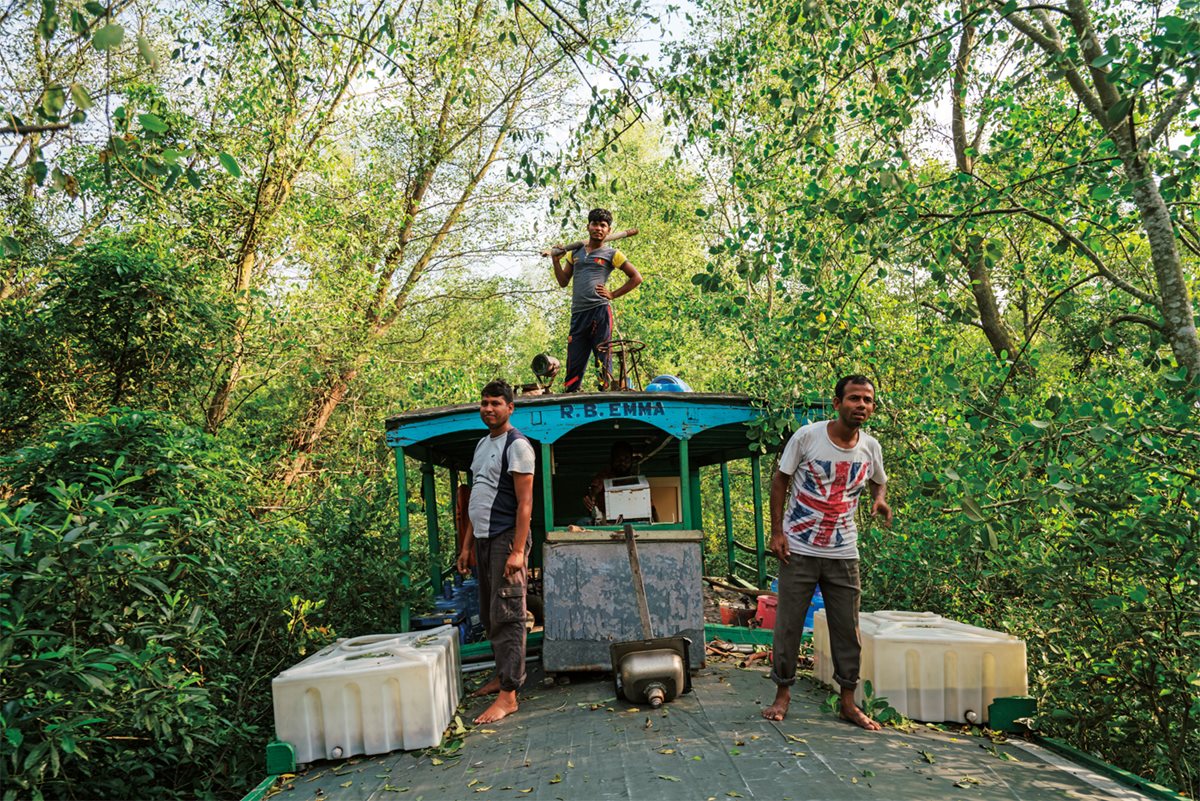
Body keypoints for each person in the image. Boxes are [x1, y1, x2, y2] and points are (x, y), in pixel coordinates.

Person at [761, 375, 893, 730]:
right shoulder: (807, 437)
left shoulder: (871, 447)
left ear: (873, 407)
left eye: (867, 400)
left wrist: (879, 499)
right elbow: (780, 479)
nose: (860, 405)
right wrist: (777, 532)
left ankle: (848, 702)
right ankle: (782, 695)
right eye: (853, 398)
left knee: (847, 630)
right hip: (799, 549)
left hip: (844, 552)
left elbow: (878, 478)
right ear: (837, 403)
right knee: (788, 625)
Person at [456, 379, 536, 724]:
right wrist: (466, 546)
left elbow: (525, 503)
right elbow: (479, 494)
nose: (488, 408)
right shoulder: (481, 445)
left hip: (506, 538)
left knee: (508, 615)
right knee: (490, 615)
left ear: (510, 408)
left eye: (496, 403)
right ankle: (499, 676)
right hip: (484, 540)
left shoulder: (517, 446)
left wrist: (518, 551)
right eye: (484, 402)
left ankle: (509, 694)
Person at [551, 208, 643, 392]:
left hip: (599, 311)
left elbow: (636, 278)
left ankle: (605, 391)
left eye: (603, 226)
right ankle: (571, 393)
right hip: (578, 313)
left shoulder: (612, 254)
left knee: (603, 355)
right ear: (588, 226)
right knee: (575, 357)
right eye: (595, 224)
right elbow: (563, 282)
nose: (598, 228)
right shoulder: (575, 253)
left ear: (608, 230)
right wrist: (555, 261)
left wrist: (613, 294)